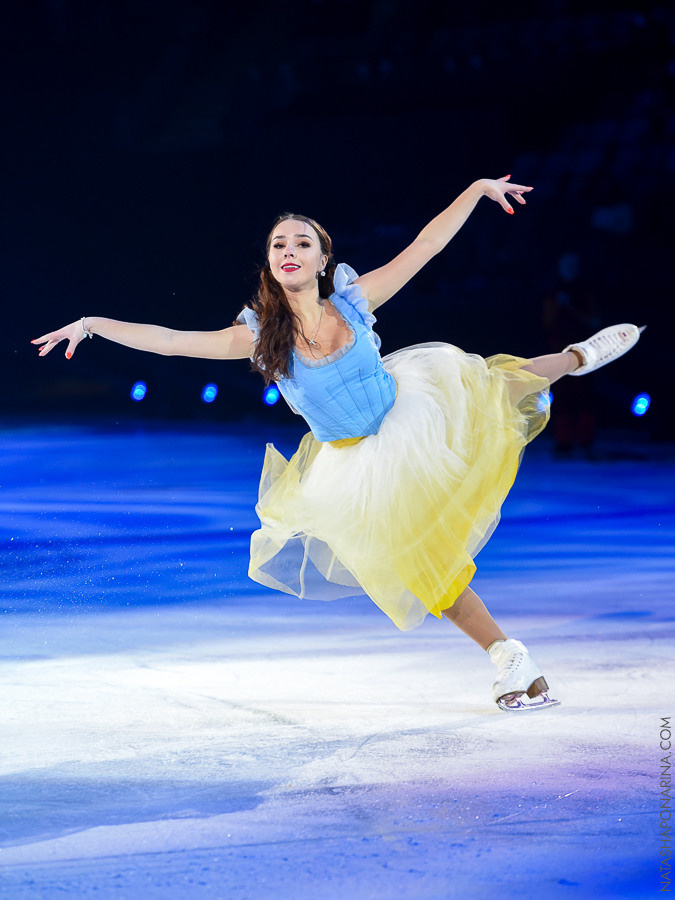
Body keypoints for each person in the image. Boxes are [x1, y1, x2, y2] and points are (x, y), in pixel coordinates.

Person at [32, 176, 643, 712]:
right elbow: (167, 339)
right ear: (269, 263)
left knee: (488, 383)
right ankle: (508, 655)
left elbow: (425, 246)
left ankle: (575, 356)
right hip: (358, 466)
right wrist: (92, 324)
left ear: (324, 259)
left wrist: (479, 190)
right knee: (427, 573)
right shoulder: (256, 337)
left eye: (302, 243)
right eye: (279, 244)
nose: (289, 251)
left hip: (411, 417)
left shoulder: (353, 300)